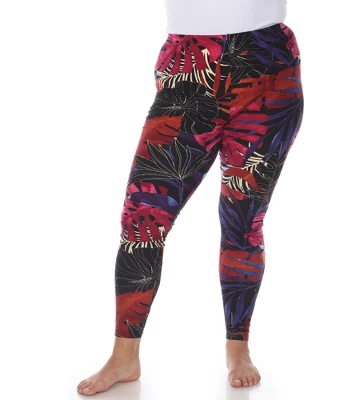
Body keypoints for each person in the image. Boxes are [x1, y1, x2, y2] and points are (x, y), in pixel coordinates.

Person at [77, 0, 304, 395]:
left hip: (268, 65)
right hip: (189, 65)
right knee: (142, 218)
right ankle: (124, 356)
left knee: (242, 220)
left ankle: (238, 349)